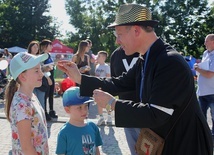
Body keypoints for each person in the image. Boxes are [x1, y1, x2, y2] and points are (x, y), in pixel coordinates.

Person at [57, 4, 213, 154]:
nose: (117, 41)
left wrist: (113, 104)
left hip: (186, 145)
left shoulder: (168, 61)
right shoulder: (147, 58)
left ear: (136, 30)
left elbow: (156, 114)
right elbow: (120, 83)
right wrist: (79, 78)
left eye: (119, 34)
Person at [4, 52, 49, 154]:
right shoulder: (22, 105)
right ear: (22, 77)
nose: (41, 73)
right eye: (36, 71)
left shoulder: (31, 97)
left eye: (40, 69)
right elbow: (27, 148)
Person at [110, 46, 140, 155]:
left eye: (121, 34)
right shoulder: (116, 54)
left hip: (146, 111)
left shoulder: (143, 52)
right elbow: (115, 83)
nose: (118, 40)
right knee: (134, 149)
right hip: (125, 109)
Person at [55, 86, 102, 155]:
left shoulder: (93, 127)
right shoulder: (64, 132)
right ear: (67, 110)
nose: (84, 110)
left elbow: (96, 149)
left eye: (86, 106)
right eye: (79, 107)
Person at [194, 34, 214, 136]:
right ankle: (203, 138)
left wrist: (197, 68)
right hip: (202, 92)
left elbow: (210, 74)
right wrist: (198, 66)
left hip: (212, 92)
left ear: (213, 42)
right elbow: (204, 69)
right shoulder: (206, 53)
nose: (204, 43)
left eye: (206, 41)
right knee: (201, 117)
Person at [28, 41, 53, 121]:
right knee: (31, 103)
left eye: (37, 47)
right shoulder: (27, 58)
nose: (36, 49)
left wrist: (48, 77)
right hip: (30, 84)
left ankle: (41, 121)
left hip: (41, 84)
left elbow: (42, 70)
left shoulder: (40, 58)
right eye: (34, 47)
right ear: (30, 48)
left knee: (41, 104)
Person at [40, 39, 58, 119]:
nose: (51, 46)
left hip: (51, 76)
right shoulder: (43, 55)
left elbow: (51, 66)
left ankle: (51, 110)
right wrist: (48, 78)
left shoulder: (49, 55)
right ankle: (45, 112)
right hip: (46, 78)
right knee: (45, 96)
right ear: (45, 46)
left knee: (51, 95)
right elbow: (42, 68)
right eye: (50, 45)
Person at [95, 51, 111, 125]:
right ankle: (101, 117)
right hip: (98, 87)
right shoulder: (97, 66)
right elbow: (96, 76)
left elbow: (108, 77)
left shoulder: (106, 66)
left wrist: (105, 86)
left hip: (104, 86)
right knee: (98, 102)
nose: (97, 57)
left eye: (99, 56)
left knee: (107, 102)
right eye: (97, 56)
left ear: (103, 58)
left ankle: (109, 116)